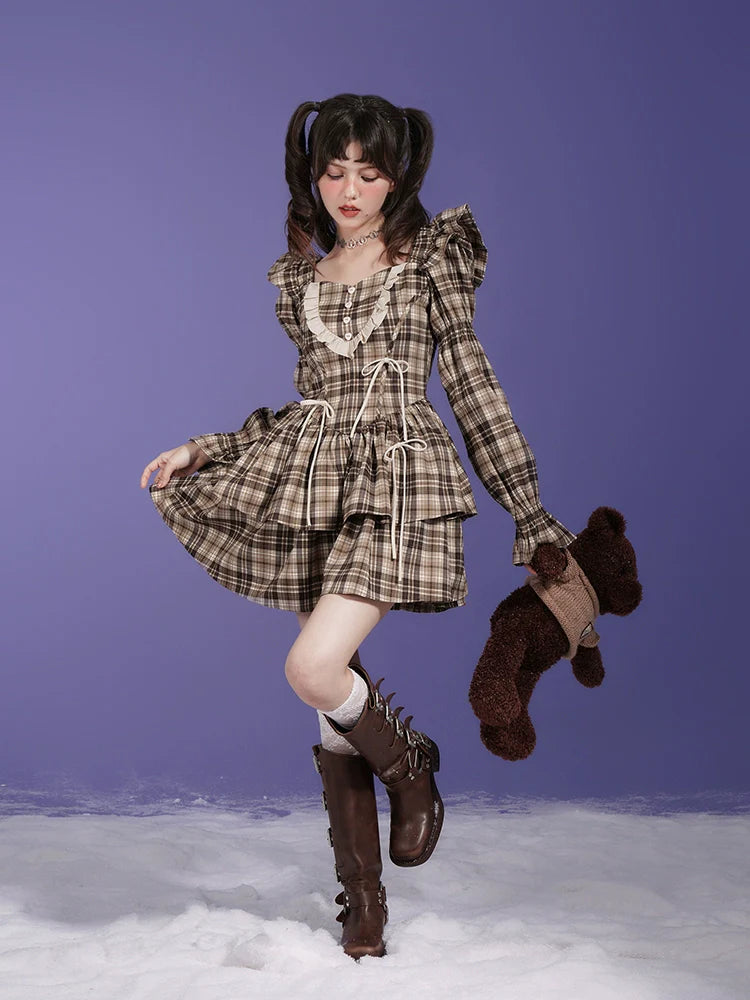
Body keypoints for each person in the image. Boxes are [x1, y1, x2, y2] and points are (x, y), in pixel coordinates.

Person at [140, 93, 576, 960]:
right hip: (312, 480)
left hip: (400, 478)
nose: (348, 190)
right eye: (333, 171)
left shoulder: (429, 261)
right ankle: (364, 903)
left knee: (313, 667)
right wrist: (206, 448)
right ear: (313, 176)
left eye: (368, 173)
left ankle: (411, 768)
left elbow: (474, 390)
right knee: (330, 698)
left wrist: (528, 512)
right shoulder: (300, 283)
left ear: (397, 176)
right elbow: (305, 408)